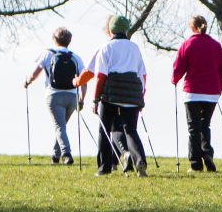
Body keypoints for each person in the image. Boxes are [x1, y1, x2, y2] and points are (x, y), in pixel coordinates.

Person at [88, 14, 150, 177]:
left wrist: (95, 99)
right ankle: (139, 161)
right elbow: (143, 75)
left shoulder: (106, 48)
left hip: (112, 94)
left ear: (111, 30)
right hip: (132, 93)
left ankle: (104, 167)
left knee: (105, 130)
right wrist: (140, 97)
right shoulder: (134, 48)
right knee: (131, 130)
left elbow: (100, 75)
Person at [171, 14, 222, 172]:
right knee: (205, 125)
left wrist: (174, 79)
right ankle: (207, 153)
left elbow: (178, 67)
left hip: (192, 93)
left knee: (194, 128)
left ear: (192, 28)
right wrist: (219, 86)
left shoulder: (187, 44)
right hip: (212, 93)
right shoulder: (215, 45)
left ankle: (195, 164)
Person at [23, 28, 85, 164]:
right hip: (72, 96)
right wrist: (81, 99)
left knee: (59, 127)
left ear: (54, 39)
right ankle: (55, 156)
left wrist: (28, 81)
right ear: (69, 41)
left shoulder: (47, 54)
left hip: (53, 95)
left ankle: (66, 154)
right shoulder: (75, 57)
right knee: (61, 126)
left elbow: (35, 73)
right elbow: (83, 80)